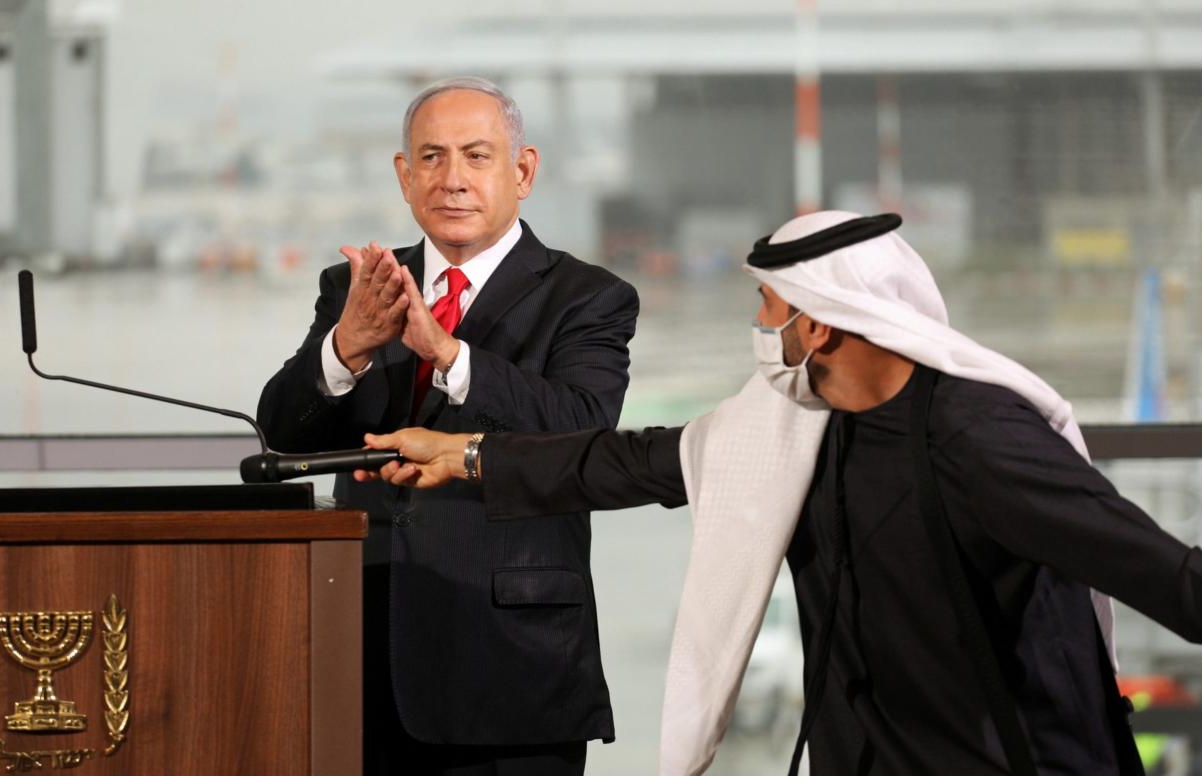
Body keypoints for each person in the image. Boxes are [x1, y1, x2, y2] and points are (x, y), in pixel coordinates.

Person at [359, 211, 1202, 776]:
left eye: (770, 306)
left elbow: (1161, 574)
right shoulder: (793, 420)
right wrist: (467, 456)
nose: (761, 328)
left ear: (821, 322)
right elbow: (636, 462)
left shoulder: (979, 439)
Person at [257, 76, 639, 776]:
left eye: (476, 156)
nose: (452, 179)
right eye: (431, 158)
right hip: (364, 654)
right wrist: (346, 352)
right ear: (405, 178)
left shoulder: (588, 297)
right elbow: (283, 435)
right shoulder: (358, 289)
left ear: (523, 172)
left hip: (511, 667)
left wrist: (451, 356)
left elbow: (580, 432)